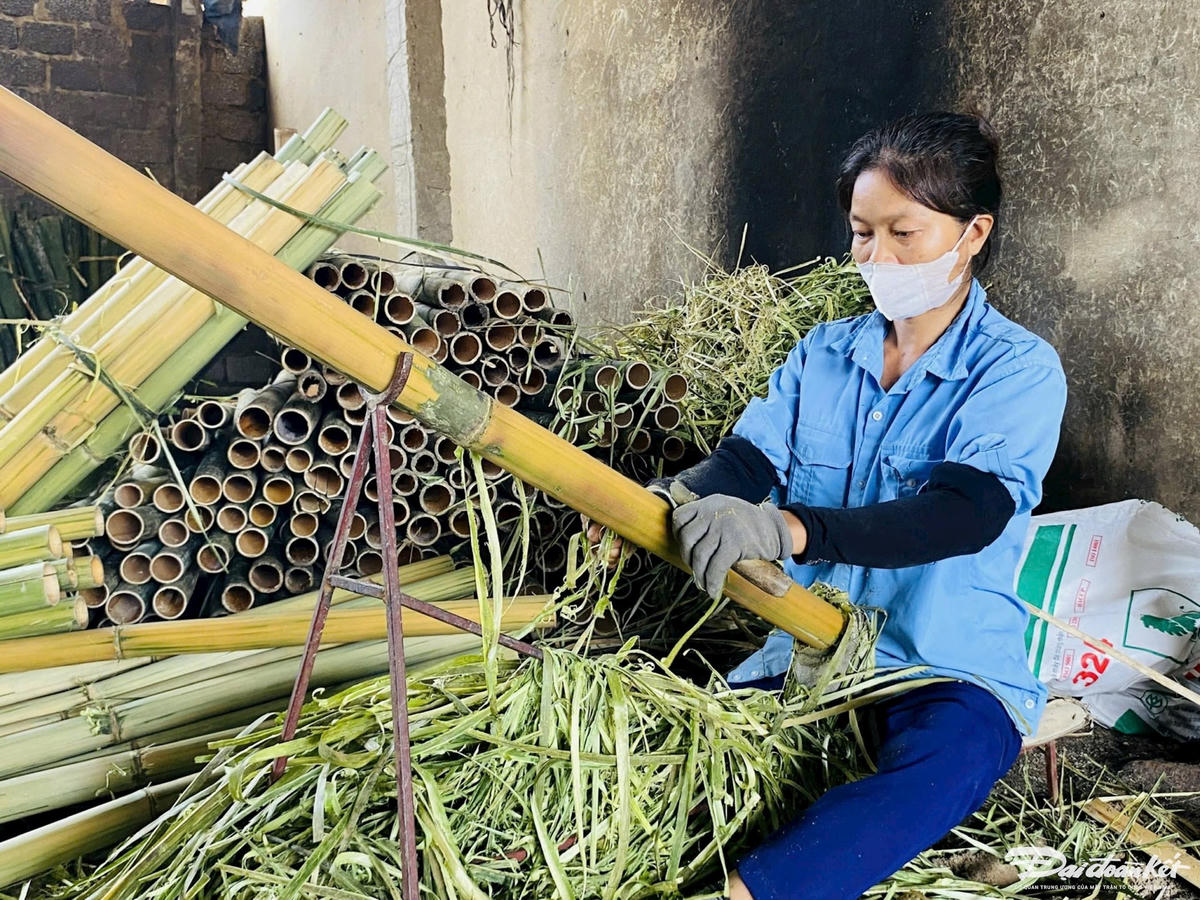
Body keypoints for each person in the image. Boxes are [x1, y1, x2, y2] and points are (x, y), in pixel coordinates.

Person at [586, 111, 1067, 899]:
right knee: (675, 758)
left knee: (949, 764)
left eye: (904, 233)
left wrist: (786, 528)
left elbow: (964, 513)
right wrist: (670, 502)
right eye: (862, 234)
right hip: (806, 654)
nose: (878, 257)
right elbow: (748, 462)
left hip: (940, 662)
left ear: (973, 232)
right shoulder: (823, 353)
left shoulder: (1017, 369)